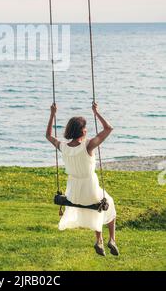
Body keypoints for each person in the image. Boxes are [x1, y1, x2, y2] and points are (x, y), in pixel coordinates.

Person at [46, 102, 119, 256]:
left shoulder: (63, 147)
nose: (87, 130)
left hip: (74, 194)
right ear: (82, 131)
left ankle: (99, 241)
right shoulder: (88, 146)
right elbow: (109, 129)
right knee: (108, 203)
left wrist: (52, 114)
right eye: (85, 127)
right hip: (89, 188)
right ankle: (112, 239)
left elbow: (48, 136)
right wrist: (96, 112)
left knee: (97, 206)